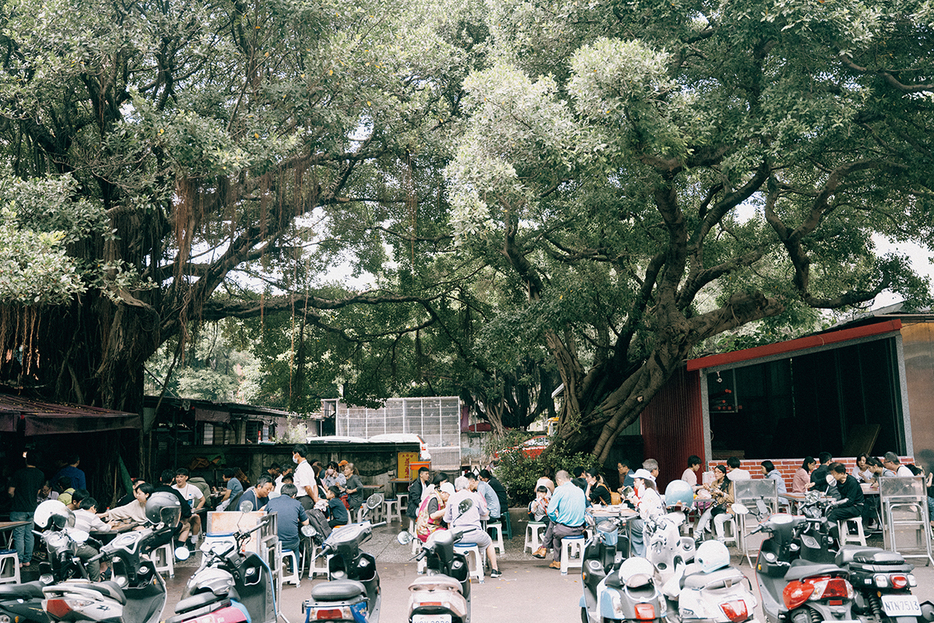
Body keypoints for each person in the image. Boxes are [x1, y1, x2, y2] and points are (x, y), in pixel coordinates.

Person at [444, 475, 502, 578]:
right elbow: (484, 513)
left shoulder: (452, 498)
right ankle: (494, 569)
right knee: (489, 542)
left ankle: (456, 570)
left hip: (458, 536)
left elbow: (447, 518)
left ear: (456, 488)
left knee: (451, 545)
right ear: (468, 486)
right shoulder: (475, 496)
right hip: (475, 534)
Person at [533, 470, 587, 569]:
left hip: (564, 530)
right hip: (580, 530)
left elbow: (550, 511)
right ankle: (546, 551)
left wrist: (555, 520)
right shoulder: (580, 491)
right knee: (554, 526)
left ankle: (550, 554)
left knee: (554, 526)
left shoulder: (559, 490)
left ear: (559, 480)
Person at [8, 450, 45, 568]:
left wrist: (15, 498)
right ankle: (27, 560)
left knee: (18, 535)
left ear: (26, 460)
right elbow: (39, 491)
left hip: (19, 508)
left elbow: (10, 491)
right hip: (32, 508)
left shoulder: (19, 473)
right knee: (29, 534)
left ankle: (18, 561)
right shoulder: (40, 474)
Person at [826, 462, 868, 542]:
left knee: (833, 514)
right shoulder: (838, 481)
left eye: (834, 473)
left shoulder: (852, 481)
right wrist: (813, 483)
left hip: (856, 507)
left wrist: (836, 505)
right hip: (848, 506)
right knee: (827, 512)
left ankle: (834, 541)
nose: (832, 476)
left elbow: (850, 501)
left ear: (841, 473)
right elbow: (824, 481)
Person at [628, 468, 665, 556]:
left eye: (636, 480)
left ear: (642, 481)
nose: (634, 483)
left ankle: (639, 553)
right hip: (655, 522)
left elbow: (645, 515)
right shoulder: (649, 491)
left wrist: (638, 503)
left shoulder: (648, 493)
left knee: (630, 525)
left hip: (653, 524)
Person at [265, 483, 309, 556]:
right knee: (296, 547)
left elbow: (265, 517)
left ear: (280, 493)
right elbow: (306, 523)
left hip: (274, 542)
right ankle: (294, 567)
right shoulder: (297, 503)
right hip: (291, 542)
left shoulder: (271, 502)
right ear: (294, 495)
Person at [74, 497, 110, 581]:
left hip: (65, 543)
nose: (95, 512)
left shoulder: (73, 513)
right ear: (92, 507)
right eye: (95, 510)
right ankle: (96, 580)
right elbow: (104, 529)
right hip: (76, 546)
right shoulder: (91, 516)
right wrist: (110, 524)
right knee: (94, 553)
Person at [155, 469, 193, 547]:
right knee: (187, 525)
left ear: (161, 479)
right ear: (173, 479)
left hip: (155, 526)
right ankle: (179, 548)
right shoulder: (175, 493)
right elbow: (187, 511)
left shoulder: (154, 492)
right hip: (170, 526)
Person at [694, 465, 729, 541]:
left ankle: (721, 540)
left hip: (726, 508)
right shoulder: (714, 483)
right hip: (715, 507)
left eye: (718, 472)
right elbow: (712, 494)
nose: (716, 474)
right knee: (704, 516)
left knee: (717, 519)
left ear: (723, 474)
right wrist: (708, 489)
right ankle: (696, 535)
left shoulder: (729, 484)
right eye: (714, 472)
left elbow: (732, 498)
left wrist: (721, 494)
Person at [173, 468, 205, 549]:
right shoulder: (173, 489)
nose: (179, 479)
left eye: (181, 477)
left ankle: (192, 541)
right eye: (177, 477)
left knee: (197, 518)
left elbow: (202, 499)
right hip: (176, 517)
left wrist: (197, 508)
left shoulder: (193, 488)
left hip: (188, 515)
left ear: (186, 477)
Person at [292, 444, 319, 510]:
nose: (293, 456)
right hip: (309, 499)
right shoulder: (308, 467)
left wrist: (315, 499)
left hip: (303, 500)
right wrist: (315, 498)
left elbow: (307, 487)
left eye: (293, 454)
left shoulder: (302, 468)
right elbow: (314, 486)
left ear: (297, 454)